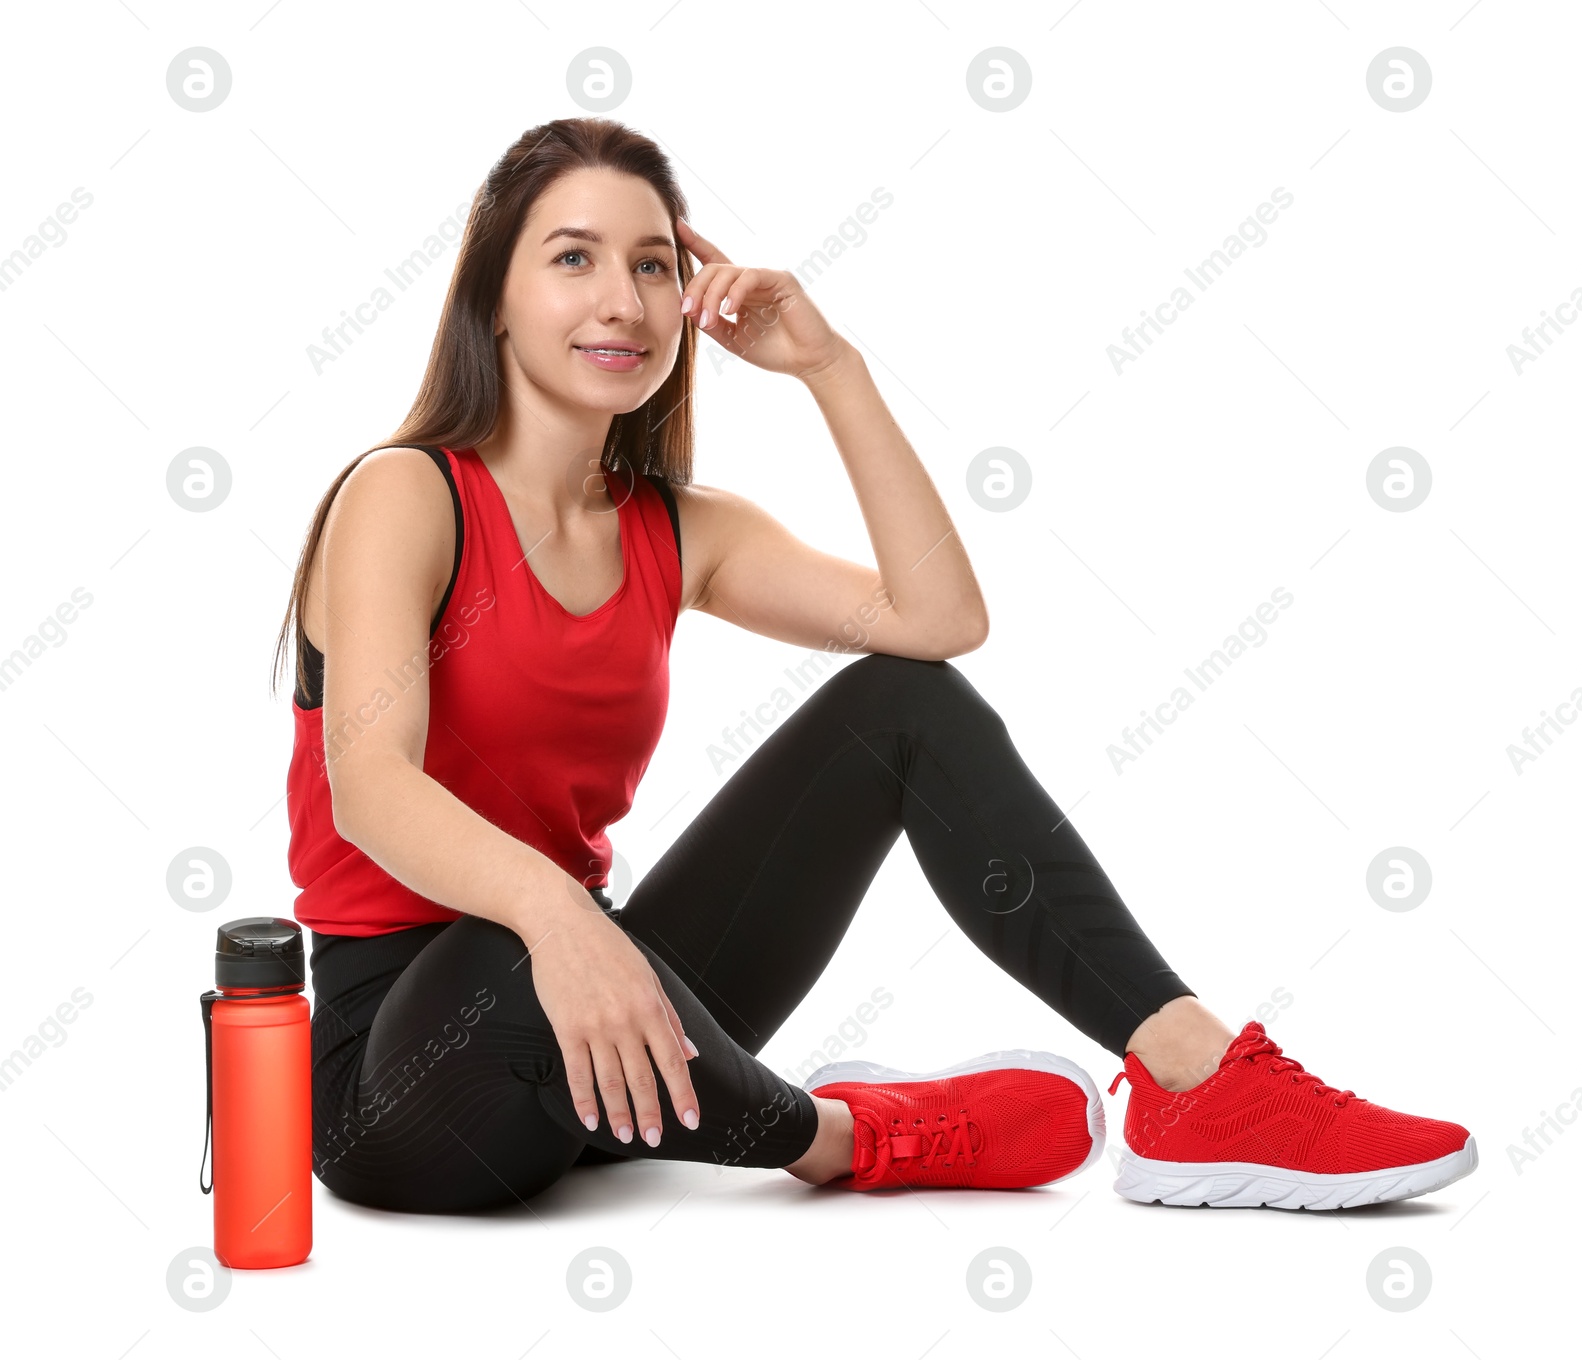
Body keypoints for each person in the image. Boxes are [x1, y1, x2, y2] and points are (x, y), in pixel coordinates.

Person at [272, 117, 1477, 1213]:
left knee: (902, 708)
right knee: (507, 955)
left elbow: (936, 618)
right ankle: (853, 1137)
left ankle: (1192, 1075)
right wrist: (556, 921)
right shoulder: (405, 494)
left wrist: (827, 368)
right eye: (573, 258)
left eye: (653, 263)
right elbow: (372, 783)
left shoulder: (681, 529)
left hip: (614, 1012)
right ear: (493, 296)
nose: (624, 301)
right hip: (411, 1071)